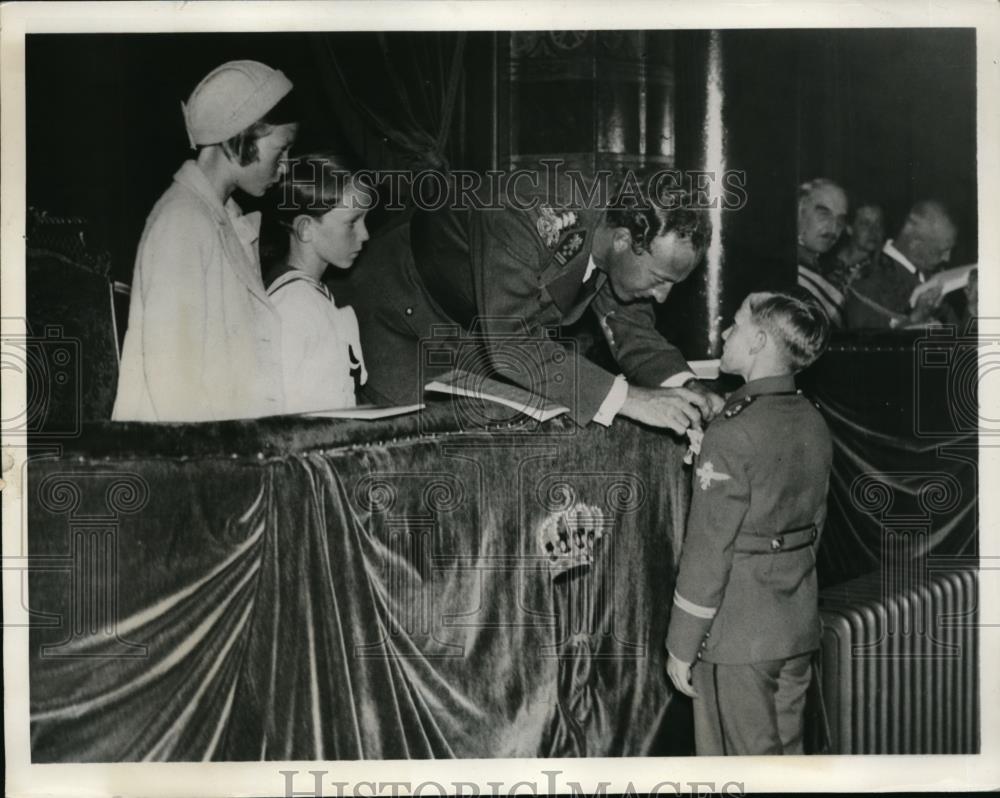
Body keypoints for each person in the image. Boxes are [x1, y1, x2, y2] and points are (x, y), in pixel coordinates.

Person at [337, 175, 723, 434]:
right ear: (623, 240)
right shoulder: (524, 213)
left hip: (469, 328)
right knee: (404, 444)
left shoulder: (618, 237)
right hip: (398, 307)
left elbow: (630, 326)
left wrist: (688, 386)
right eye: (659, 280)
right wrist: (630, 399)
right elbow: (512, 344)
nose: (662, 297)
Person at [665, 290, 833, 756]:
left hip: (737, 636)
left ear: (759, 341)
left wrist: (682, 643)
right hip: (794, 624)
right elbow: (815, 523)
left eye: (735, 324)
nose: (724, 332)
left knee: (738, 771)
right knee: (787, 761)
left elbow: (707, 550)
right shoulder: (811, 419)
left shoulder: (732, 430)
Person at [113, 60, 299, 421]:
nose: (286, 165)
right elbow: (174, 391)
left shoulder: (221, 219)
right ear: (241, 135)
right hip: (186, 460)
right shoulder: (182, 222)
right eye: (282, 149)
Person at [264, 153, 371, 412]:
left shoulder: (313, 295)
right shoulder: (291, 305)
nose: (365, 234)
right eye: (352, 222)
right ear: (305, 228)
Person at [844, 200, 957, 329]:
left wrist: (972, 310)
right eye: (941, 251)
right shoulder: (867, 282)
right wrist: (914, 319)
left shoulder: (932, 274)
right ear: (915, 243)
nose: (947, 258)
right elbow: (867, 345)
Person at [795, 178, 850, 327]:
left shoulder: (830, 268)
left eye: (840, 220)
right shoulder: (783, 268)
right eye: (824, 214)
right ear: (799, 212)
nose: (833, 228)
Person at [832, 201, 885, 277]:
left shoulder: (883, 274)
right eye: (865, 224)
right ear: (849, 228)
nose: (874, 231)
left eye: (879, 225)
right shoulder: (827, 256)